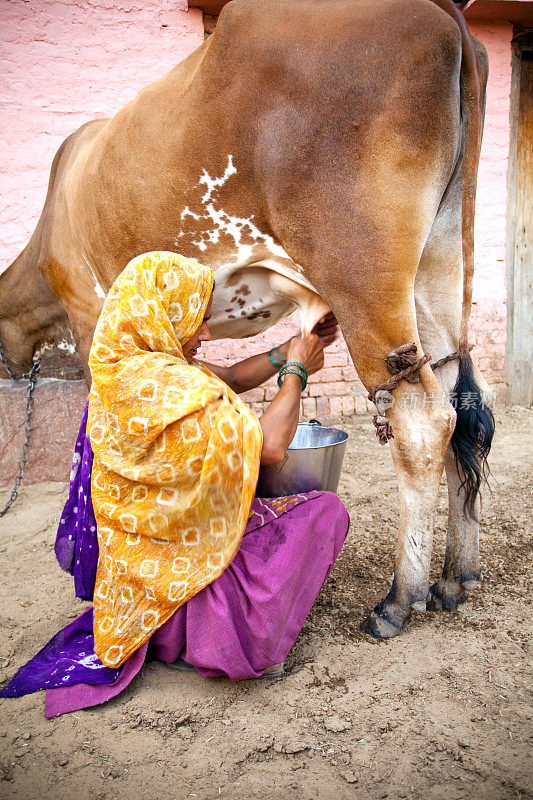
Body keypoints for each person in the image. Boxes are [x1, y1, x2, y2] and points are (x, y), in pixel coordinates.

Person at [0, 252, 350, 717]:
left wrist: (289, 348)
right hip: (179, 578)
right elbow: (269, 448)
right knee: (323, 511)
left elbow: (224, 377)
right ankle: (225, 639)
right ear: (162, 316)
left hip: (136, 587)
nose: (205, 333)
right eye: (198, 320)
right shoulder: (168, 389)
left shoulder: (123, 365)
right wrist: (295, 373)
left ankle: (180, 630)